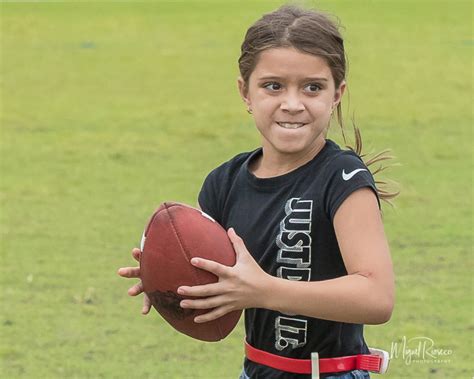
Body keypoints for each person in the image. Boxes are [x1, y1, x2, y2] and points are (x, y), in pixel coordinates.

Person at [118, 4, 398, 379]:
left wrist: (264, 290)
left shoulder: (343, 178)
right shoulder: (224, 182)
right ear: (245, 92)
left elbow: (377, 298)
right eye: (273, 86)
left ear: (337, 94)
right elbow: (215, 278)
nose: (292, 103)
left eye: (313, 87)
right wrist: (169, 279)